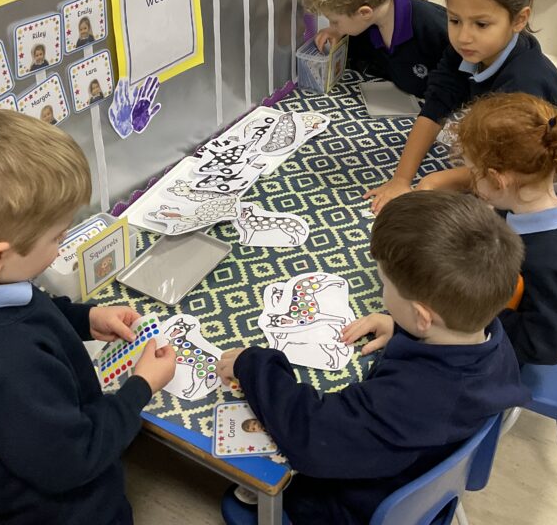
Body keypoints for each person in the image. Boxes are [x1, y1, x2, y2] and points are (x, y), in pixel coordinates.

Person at [217, 191, 529, 524]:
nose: (382, 291)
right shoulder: (492, 338)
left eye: (384, 283)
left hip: (351, 506)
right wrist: (401, 325)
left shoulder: (410, 397)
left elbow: (310, 436)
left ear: (422, 316)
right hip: (419, 471)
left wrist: (255, 366)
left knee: (246, 491)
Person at [0, 110, 176, 525]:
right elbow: (77, 458)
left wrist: (84, 318)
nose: (61, 249)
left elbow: (24, 305)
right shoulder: (6, 366)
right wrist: (140, 388)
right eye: (57, 238)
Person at [365, 0, 557, 218]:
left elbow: (515, 168)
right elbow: (435, 107)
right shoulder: (467, 51)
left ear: (519, 20)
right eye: (455, 20)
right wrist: (401, 179)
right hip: (513, 174)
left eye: (481, 24)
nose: (463, 36)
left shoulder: (525, 82)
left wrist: (435, 181)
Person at [452, 92, 557, 366]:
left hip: (515, 344)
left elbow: (548, 345)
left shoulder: (543, 258)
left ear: (498, 180)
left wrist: (482, 319)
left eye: (474, 173)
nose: (472, 182)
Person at [306, 0, 449, 98]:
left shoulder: (435, 28)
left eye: (335, 21)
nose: (332, 25)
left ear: (364, 13)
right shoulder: (368, 25)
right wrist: (339, 33)